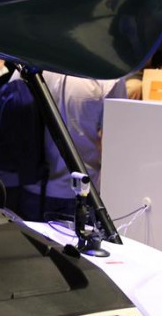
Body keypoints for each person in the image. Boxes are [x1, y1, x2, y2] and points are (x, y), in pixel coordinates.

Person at [22, 71, 127, 219]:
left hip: (34, 186)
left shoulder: (29, 64)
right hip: (84, 191)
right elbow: (117, 142)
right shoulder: (110, 74)